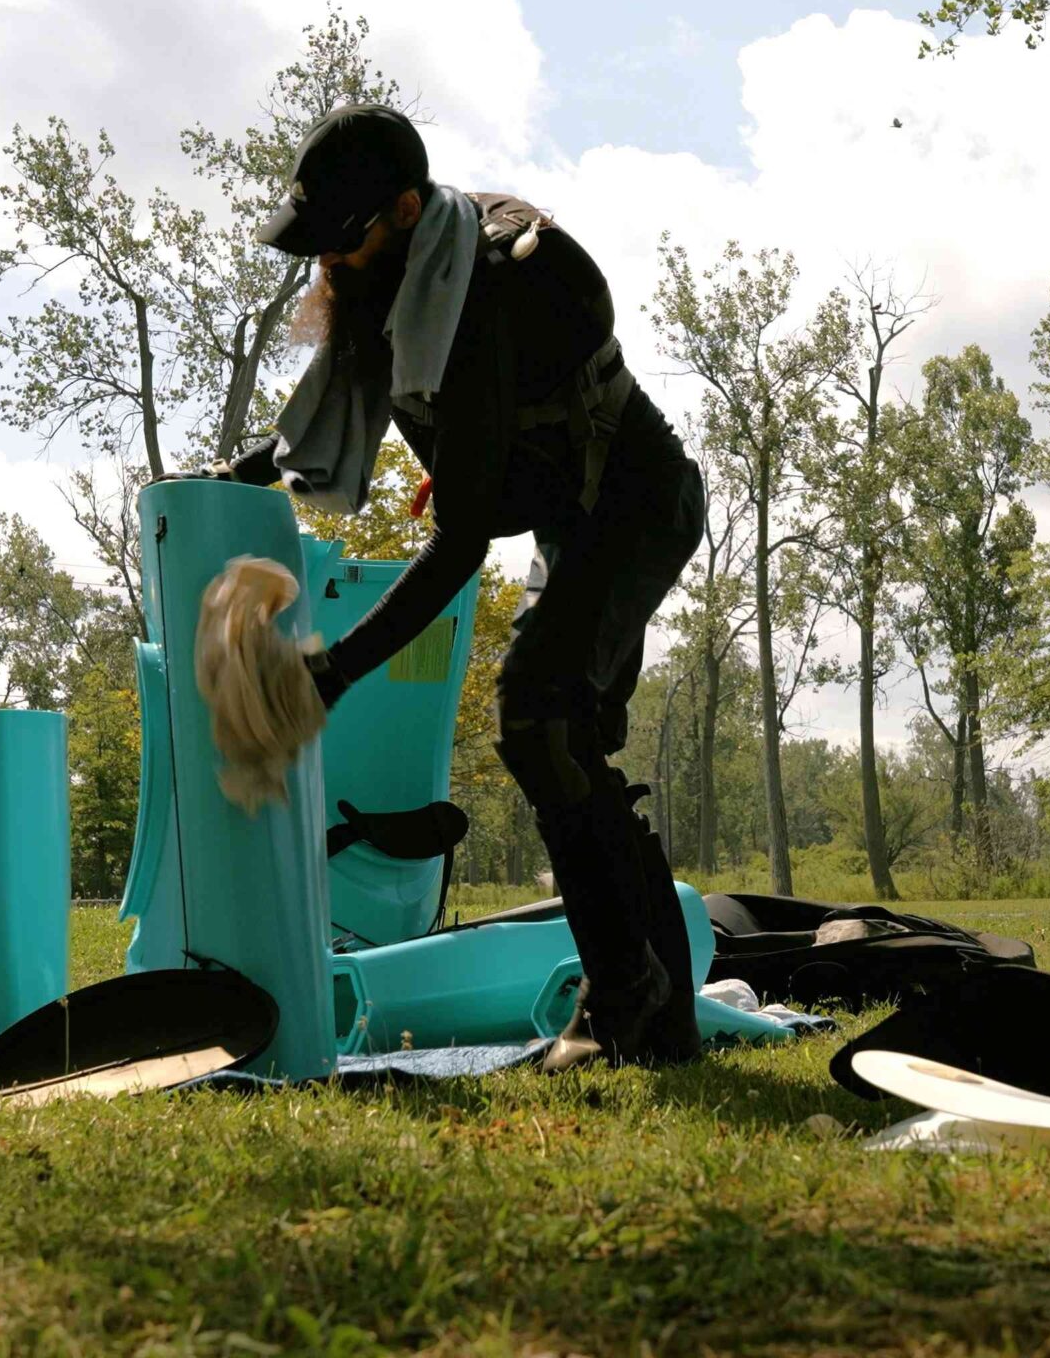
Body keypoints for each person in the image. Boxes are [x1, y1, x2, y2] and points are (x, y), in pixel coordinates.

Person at [200, 102, 706, 1071]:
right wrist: (238, 474)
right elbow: (347, 399)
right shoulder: (401, 286)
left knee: (537, 721)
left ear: (400, 211)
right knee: (568, 749)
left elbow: (462, 541)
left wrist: (329, 676)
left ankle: (620, 995)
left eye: (342, 245)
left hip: (636, 507)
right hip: (574, 520)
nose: (329, 269)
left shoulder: (497, 284)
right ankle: (660, 1023)